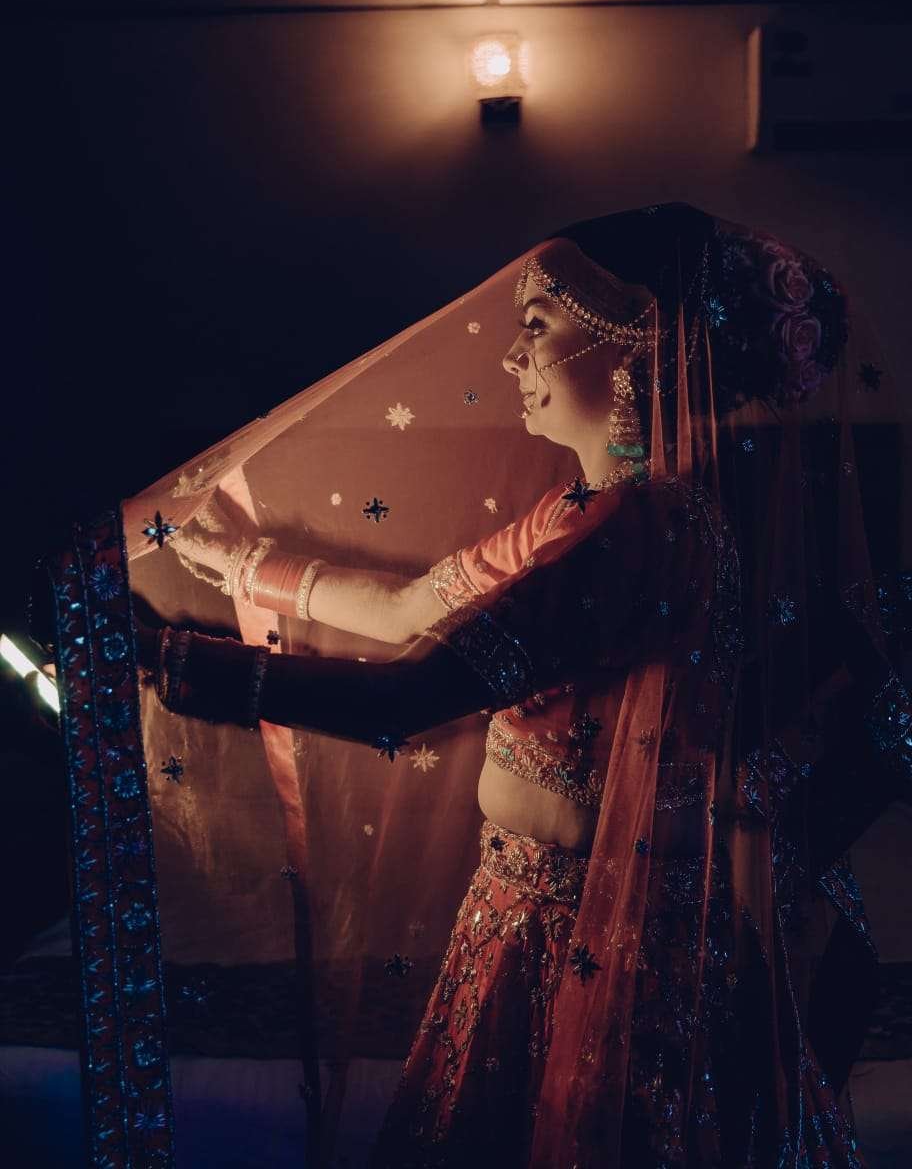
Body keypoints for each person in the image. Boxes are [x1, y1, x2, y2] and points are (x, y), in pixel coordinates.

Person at [127, 203, 908, 1167]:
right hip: (524, 911)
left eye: (537, 327)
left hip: (595, 939)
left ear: (639, 346)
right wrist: (241, 565)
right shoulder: (582, 512)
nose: (510, 358)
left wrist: (180, 665)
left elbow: (407, 699)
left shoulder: (646, 528)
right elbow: (410, 608)